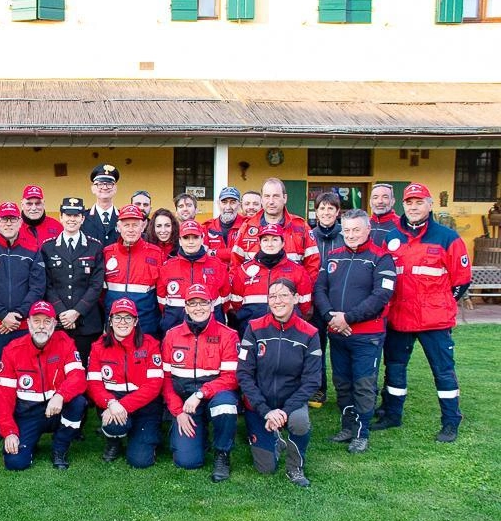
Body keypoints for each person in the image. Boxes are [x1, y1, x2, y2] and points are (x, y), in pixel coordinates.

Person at [373, 183, 471, 443]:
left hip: (434, 321)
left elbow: (462, 280)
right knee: (394, 369)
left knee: (443, 371)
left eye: (419, 202)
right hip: (399, 318)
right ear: (402, 205)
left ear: (429, 204)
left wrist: (444, 304)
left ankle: (451, 421)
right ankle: (392, 414)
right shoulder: (391, 238)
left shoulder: (447, 237)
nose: (414, 207)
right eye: (409, 202)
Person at [313, 209, 395, 453]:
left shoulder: (381, 258)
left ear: (367, 230)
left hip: (367, 336)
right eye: (346, 230)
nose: (350, 234)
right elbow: (319, 290)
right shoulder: (332, 257)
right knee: (342, 383)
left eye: (356, 229)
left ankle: (362, 432)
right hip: (337, 333)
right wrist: (330, 317)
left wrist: (347, 318)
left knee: (363, 384)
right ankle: (347, 427)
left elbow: (381, 296)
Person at [237, 278, 322, 487]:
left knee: (300, 422)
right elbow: (244, 374)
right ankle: (274, 437)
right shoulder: (254, 328)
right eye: (273, 296)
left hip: (290, 404)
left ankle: (295, 467)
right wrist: (266, 410)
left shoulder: (310, 333)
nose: (278, 300)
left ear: (295, 298)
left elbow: (312, 381)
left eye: (284, 295)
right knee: (265, 467)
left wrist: (284, 411)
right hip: (259, 406)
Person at [0, 202, 46, 445]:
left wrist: (16, 315)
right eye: (4, 219)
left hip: (23, 326)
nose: (8, 223)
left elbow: (37, 287)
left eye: (12, 219)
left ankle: (25, 422)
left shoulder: (32, 249)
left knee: (26, 375)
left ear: (20, 222)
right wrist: (2, 314)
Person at [0, 301, 87, 470]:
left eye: (47, 321)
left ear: (54, 323)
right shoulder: (12, 350)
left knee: (78, 402)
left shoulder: (65, 342)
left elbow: (78, 377)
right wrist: (8, 432)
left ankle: (60, 449)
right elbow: (2, 398)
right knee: (15, 463)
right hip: (28, 413)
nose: (41, 327)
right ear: (28, 323)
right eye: (36, 321)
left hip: (56, 408)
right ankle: (29, 441)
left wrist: (60, 395)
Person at [161, 284, 240, 482]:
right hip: (185, 402)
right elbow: (166, 380)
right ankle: (198, 435)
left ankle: (222, 454)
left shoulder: (228, 335)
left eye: (203, 303)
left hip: (214, 394)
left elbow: (231, 378)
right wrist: (177, 412)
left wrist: (201, 393)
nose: (198, 308)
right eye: (193, 303)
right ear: (185, 307)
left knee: (226, 407)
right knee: (187, 462)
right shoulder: (171, 335)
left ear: (212, 305)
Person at [87, 298, 164, 468]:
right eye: (118, 317)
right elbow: (94, 385)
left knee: (140, 461)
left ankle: (149, 434)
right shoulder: (98, 347)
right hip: (112, 403)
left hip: (145, 406)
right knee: (115, 425)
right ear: (111, 321)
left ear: (136, 321)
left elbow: (154, 385)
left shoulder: (151, 344)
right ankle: (114, 442)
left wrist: (123, 406)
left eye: (128, 318)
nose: (123, 322)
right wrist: (111, 402)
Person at [40, 197, 106, 371]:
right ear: (61, 217)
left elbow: (96, 285)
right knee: (56, 368)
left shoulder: (95, 247)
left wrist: (76, 312)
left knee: (85, 368)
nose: (72, 219)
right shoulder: (48, 247)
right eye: (68, 215)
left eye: (76, 215)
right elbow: (47, 284)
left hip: (87, 321)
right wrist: (63, 313)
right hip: (58, 321)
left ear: (82, 218)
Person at [230, 223, 313, 336]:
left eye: (274, 239)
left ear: (283, 243)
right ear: (259, 243)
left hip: (287, 332)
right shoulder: (243, 270)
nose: (270, 244)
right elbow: (236, 303)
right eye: (265, 240)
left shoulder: (298, 270)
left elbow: (305, 304)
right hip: (251, 330)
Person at [232, 178, 320, 280]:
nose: (271, 201)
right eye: (267, 196)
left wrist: (303, 291)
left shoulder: (301, 227)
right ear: (261, 199)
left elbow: (312, 265)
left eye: (276, 196)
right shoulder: (247, 227)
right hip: (255, 293)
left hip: (290, 294)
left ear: (285, 198)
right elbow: (235, 265)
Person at [103, 204, 166, 338]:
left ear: (143, 226)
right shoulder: (107, 253)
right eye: (126, 225)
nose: (131, 229)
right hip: (115, 326)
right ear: (119, 227)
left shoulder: (156, 254)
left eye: (135, 225)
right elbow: (100, 292)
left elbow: (161, 292)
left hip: (146, 326)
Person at [159, 220, 230, 333]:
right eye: (186, 238)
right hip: (174, 328)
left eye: (195, 237)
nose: (191, 242)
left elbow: (225, 300)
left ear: (202, 239)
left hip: (210, 327)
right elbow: (161, 302)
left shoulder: (218, 266)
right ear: (180, 241)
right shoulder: (167, 267)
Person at [308, 191, 345, 408]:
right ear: (316, 211)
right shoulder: (309, 234)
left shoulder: (344, 235)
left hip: (340, 301)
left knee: (341, 348)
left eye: (331, 208)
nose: (326, 212)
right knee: (317, 347)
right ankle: (318, 389)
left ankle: (344, 390)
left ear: (338, 212)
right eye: (322, 208)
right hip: (315, 302)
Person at [202, 186, 244, 268]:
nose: (228, 207)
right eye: (224, 202)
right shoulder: (207, 227)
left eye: (232, 202)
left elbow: (245, 252)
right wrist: (232, 252)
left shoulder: (246, 225)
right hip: (214, 275)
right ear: (218, 204)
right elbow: (202, 254)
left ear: (239, 205)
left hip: (239, 275)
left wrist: (213, 252)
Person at [81, 163, 120, 246]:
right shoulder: (82, 217)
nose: (105, 187)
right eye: (100, 184)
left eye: (109, 184)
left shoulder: (123, 217)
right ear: (93, 189)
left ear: (115, 188)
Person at [369, 183, 400, 247]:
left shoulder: (401, 225)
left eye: (385, 197)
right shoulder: (365, 224)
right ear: (370, 202)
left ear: (392, 201)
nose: (380, 201)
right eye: (375, 197)